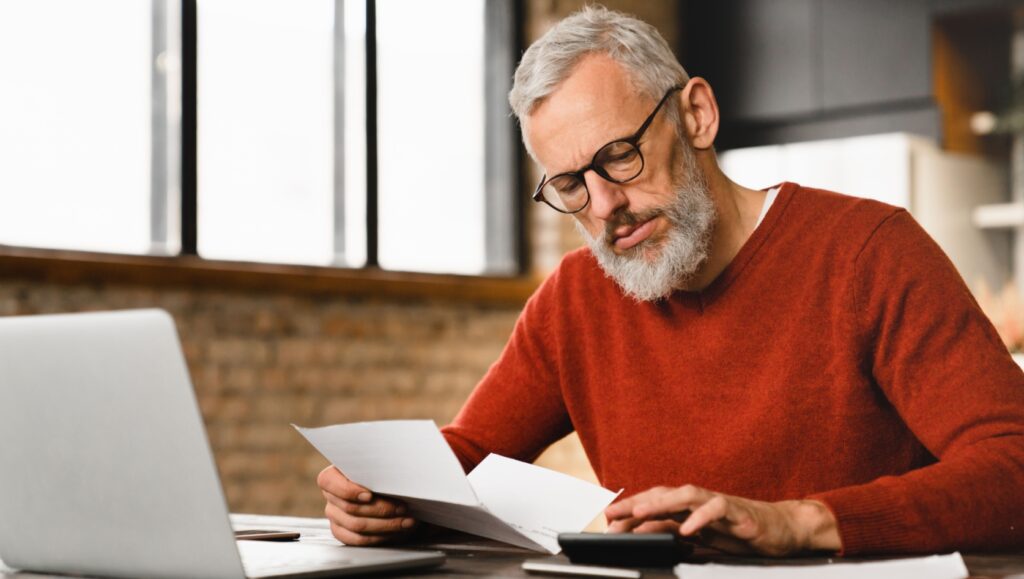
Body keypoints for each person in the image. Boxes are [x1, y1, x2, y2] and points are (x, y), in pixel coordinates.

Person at [318, 5, 1024, 556]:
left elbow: (1013, 465)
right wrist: (384, 493)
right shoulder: (575, 298)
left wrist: (800, 521)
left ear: (696, 114)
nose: (602, 207)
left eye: (619, 157)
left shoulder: (869, 251)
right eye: (569, 184)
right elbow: (467, 455)